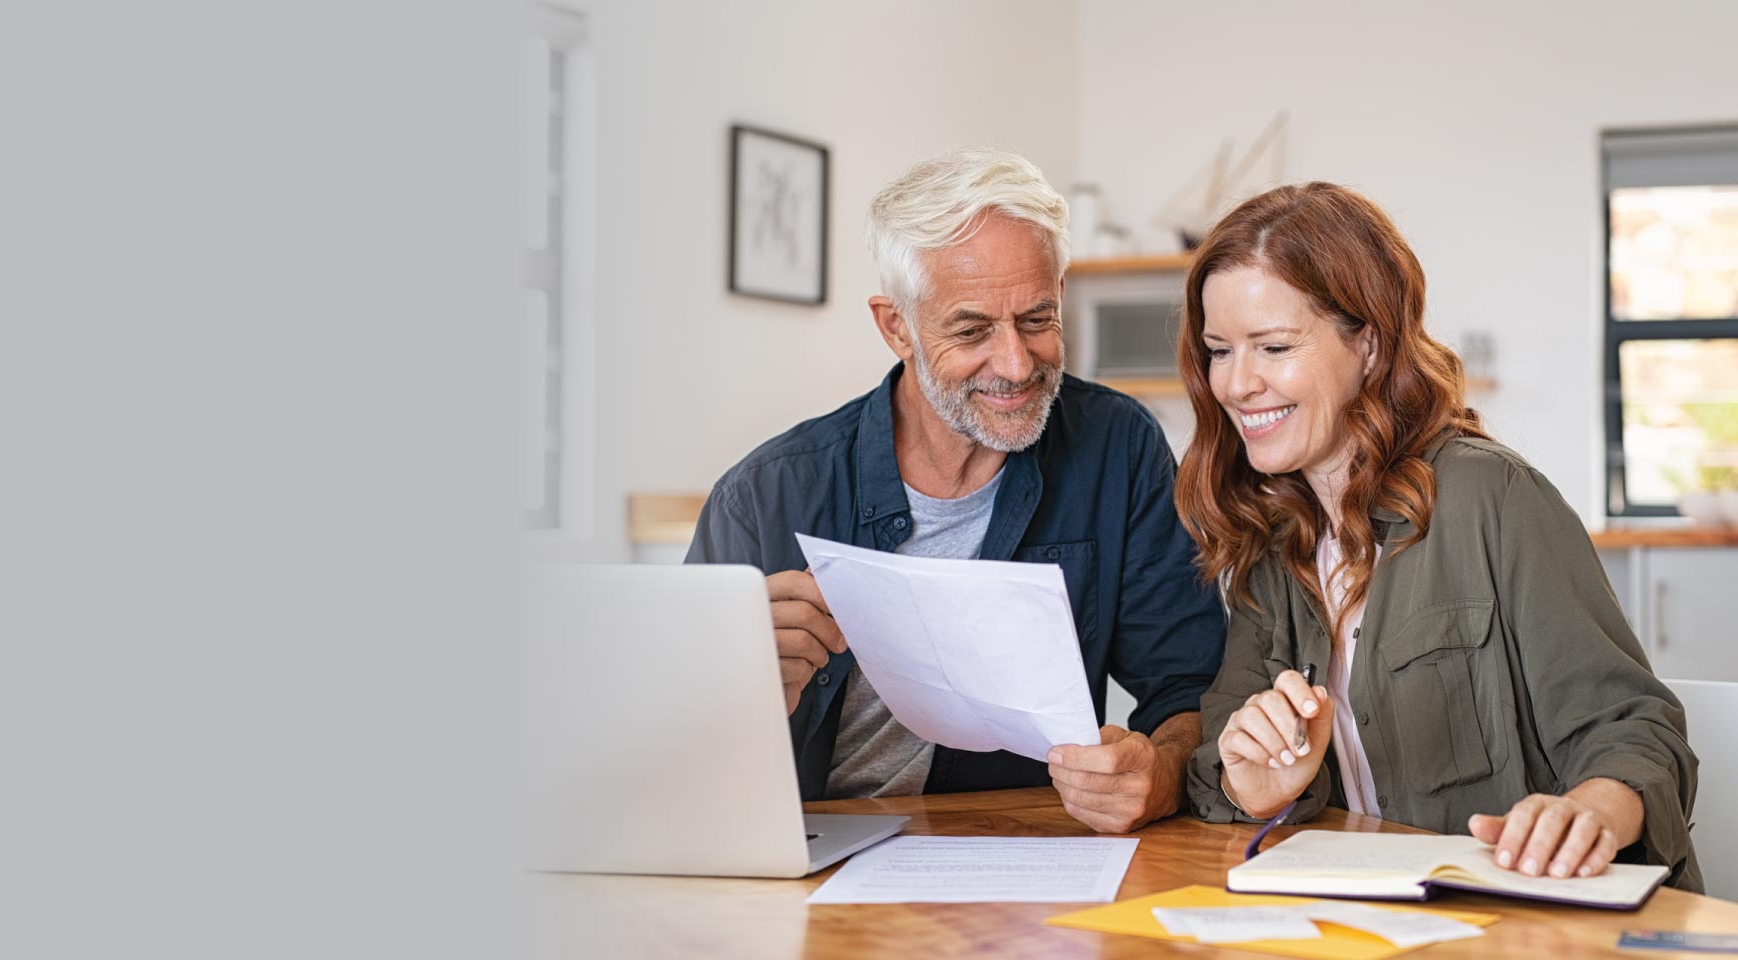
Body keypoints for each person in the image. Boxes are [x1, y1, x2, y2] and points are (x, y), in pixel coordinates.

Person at [1178, 182, 1700, 890]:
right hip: (1374, 922)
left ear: (1368, 344)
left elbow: (1637, 731)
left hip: (1528, 924)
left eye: (1273, 346)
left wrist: (1592, 811)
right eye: (1219, 350)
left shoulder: (1494, 498)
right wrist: (1258, 783)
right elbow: (1217, 760)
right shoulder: (1273, 542)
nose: (1237, 384)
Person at [686, 147, 1225, 832]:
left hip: (1012, 855)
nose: (1015, 363)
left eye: (1037, 319)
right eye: (971, 330)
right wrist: (736, 684)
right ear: (895, 327)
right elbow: (661, 751)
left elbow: (1190, 688)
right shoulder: (765, 495)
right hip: (805, 855)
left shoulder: (1116, 447)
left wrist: (1161, 772)